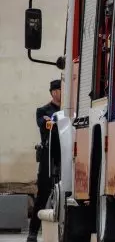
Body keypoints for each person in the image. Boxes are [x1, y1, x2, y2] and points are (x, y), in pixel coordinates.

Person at [27, 80, 61, 242]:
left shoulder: (69, 109)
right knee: (42, 195)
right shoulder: (42, 110)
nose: (61, 92)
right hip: (48, 156)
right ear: (53, 92)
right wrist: (50, 122)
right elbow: (44, 125)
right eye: (58, 90)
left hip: (65, 155)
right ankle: (33, 232)